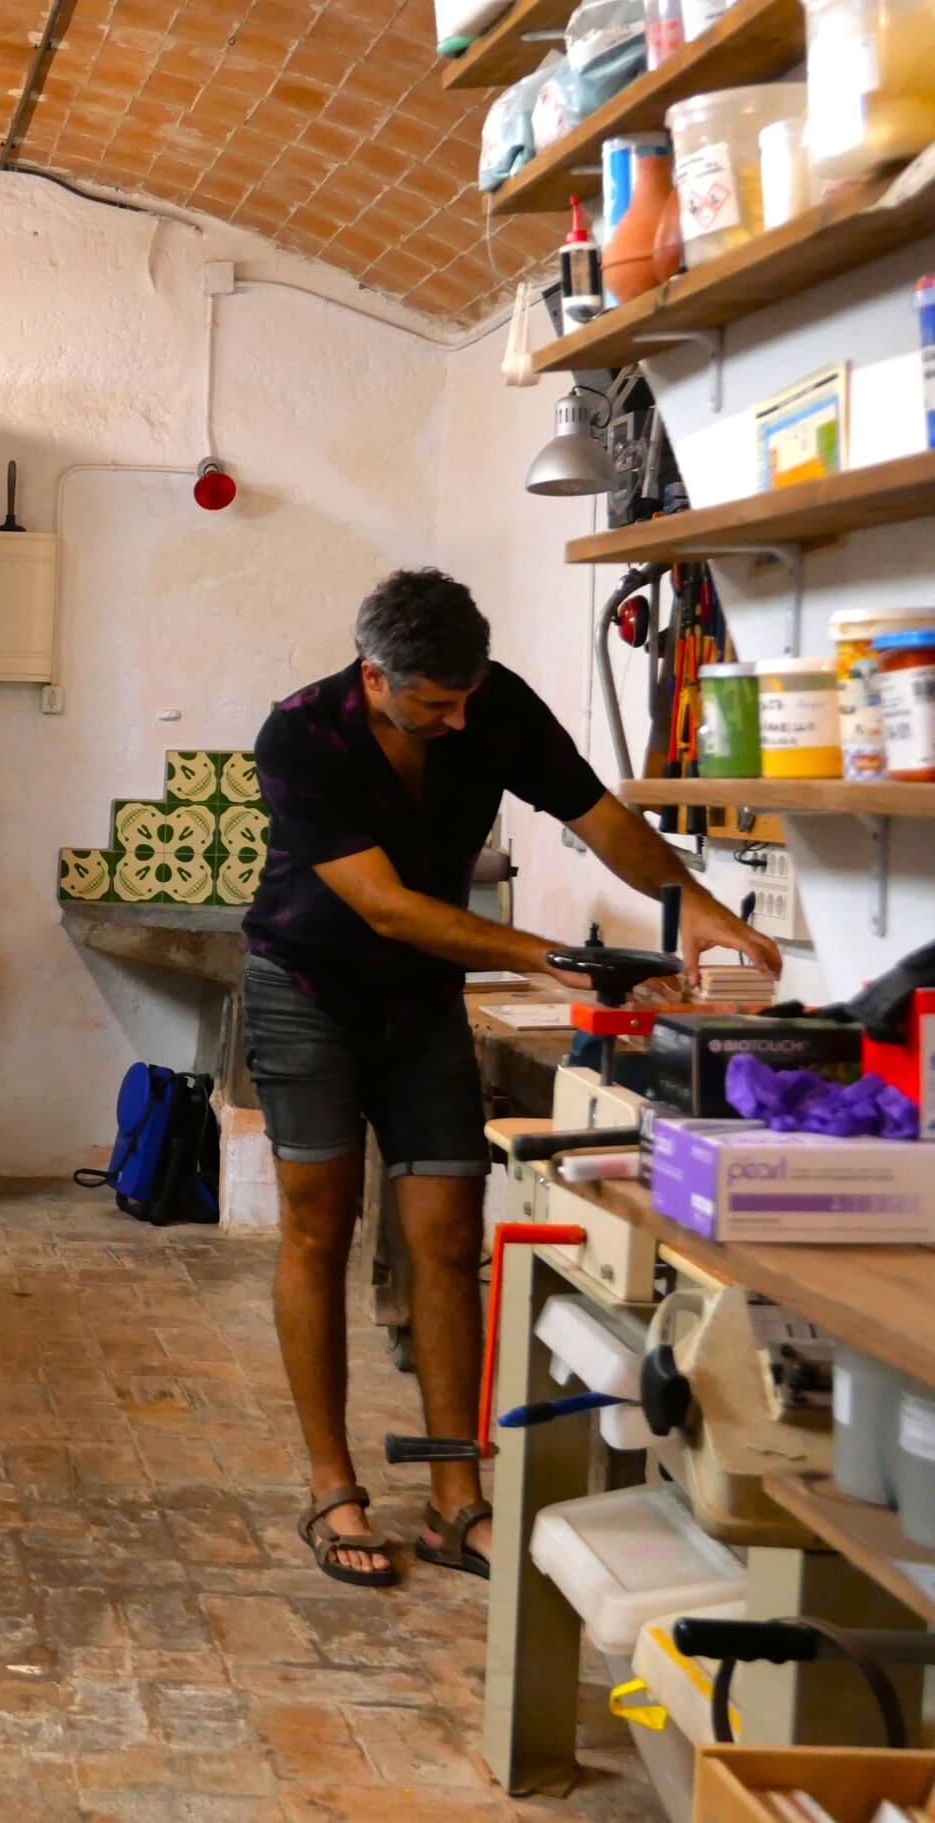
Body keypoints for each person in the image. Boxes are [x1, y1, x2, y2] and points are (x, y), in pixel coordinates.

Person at [244, 568, 780, 1589]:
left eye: (466, 698)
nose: (457, 720)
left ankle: (456, 1500)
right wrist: (547, 957)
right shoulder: (301, 734)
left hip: (421, 1005)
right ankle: (333, 1486)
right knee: (318, 1229)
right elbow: (387, 907)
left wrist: (692, 901)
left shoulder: (493, 705)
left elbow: (597, 814)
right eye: (434, 704)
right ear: (375, 677)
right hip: (308, 992)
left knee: (449, 1236)